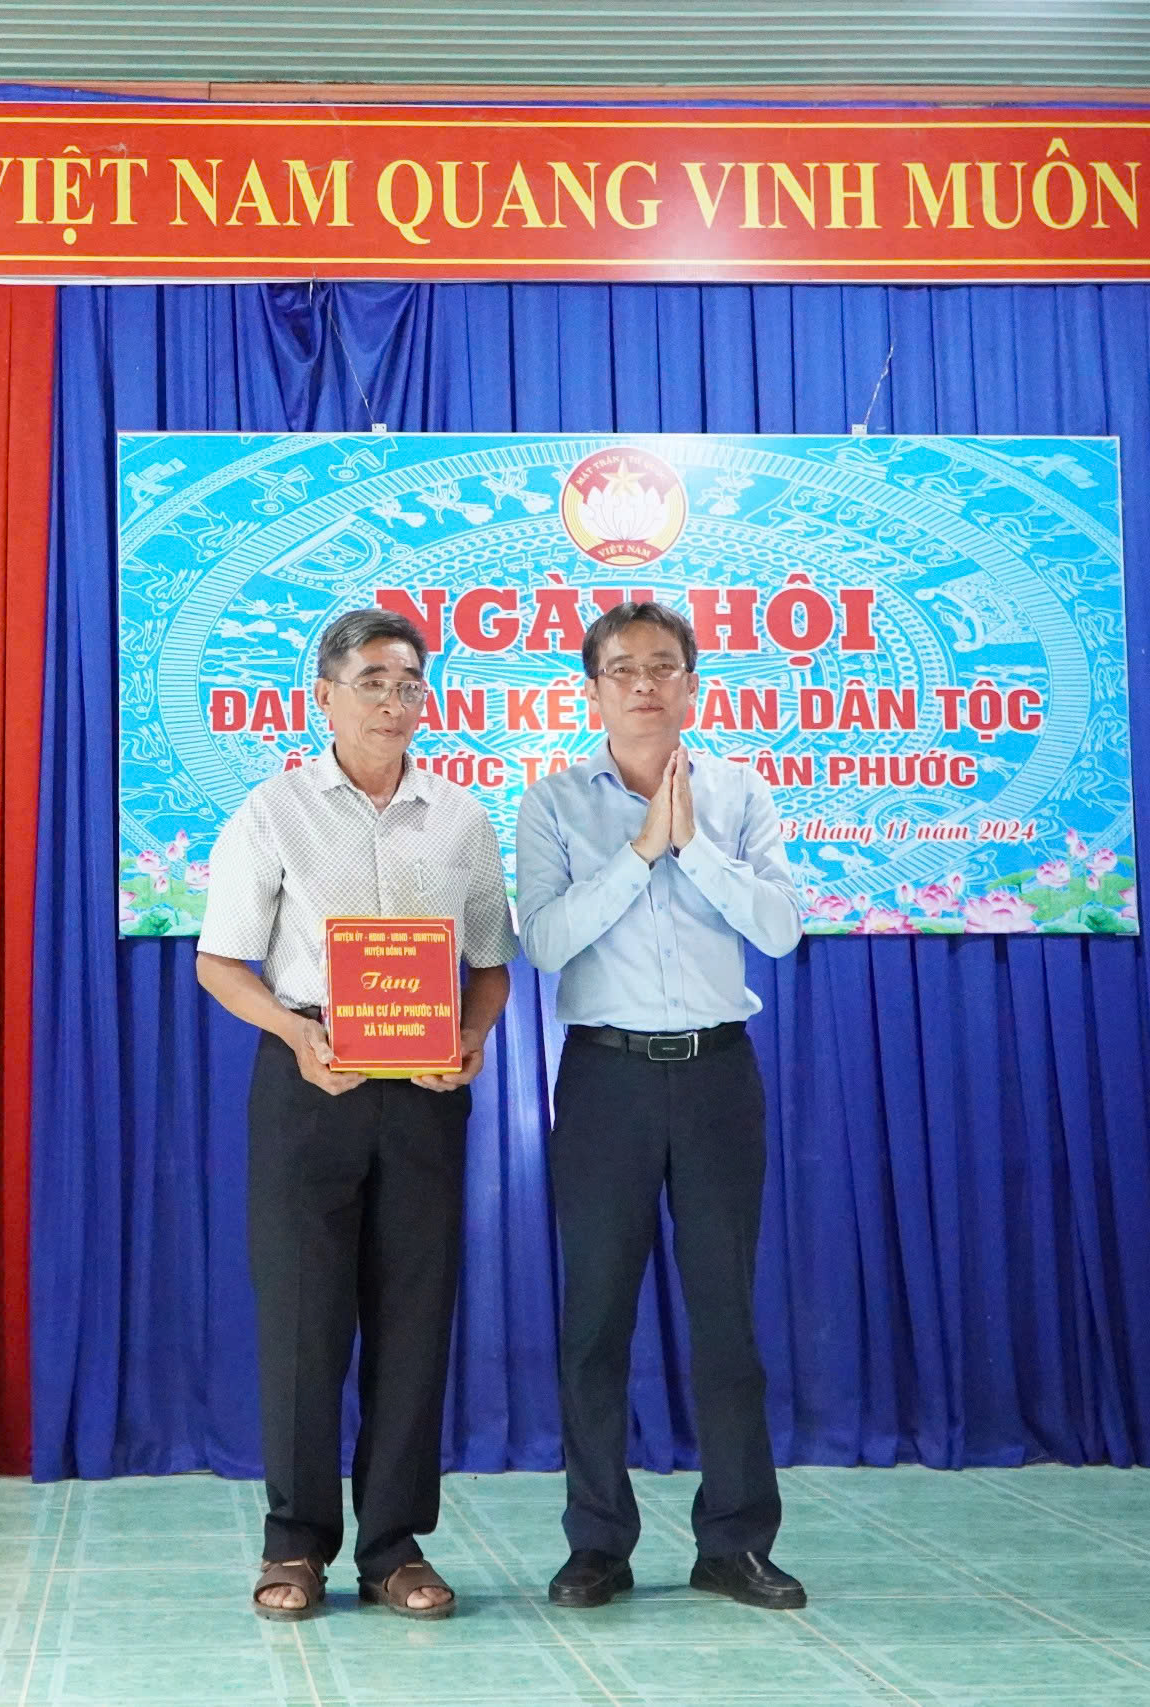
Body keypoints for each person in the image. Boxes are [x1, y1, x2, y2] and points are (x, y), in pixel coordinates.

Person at [195, 607, 518, 1622]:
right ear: (324, 696)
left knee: (415, 1319)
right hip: (309, 1082)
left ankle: (393, 1546)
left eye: (408, 683)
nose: (392, 701)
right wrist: (295, 1036)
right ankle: (294, 1544)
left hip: (424, 1097)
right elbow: (220, 962)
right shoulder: (273, 811)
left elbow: (490, 967)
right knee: (302, 1319)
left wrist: (472, 1037)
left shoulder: (460, 818)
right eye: (371, 681)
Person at [514, 600, 807, 1612]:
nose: (644, 684)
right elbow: (544, 941)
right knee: (595, 1321)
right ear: (591, 688)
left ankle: (735, 1541)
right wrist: (640, 849)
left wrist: (692, 848)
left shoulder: (739, 792)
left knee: (726, 1320)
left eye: (663, 666)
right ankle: (597, 1541)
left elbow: (779, 930)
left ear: (693, 684)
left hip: (719, 1075)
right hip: (608, 1080)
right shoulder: (553, 801)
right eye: (622, 669)